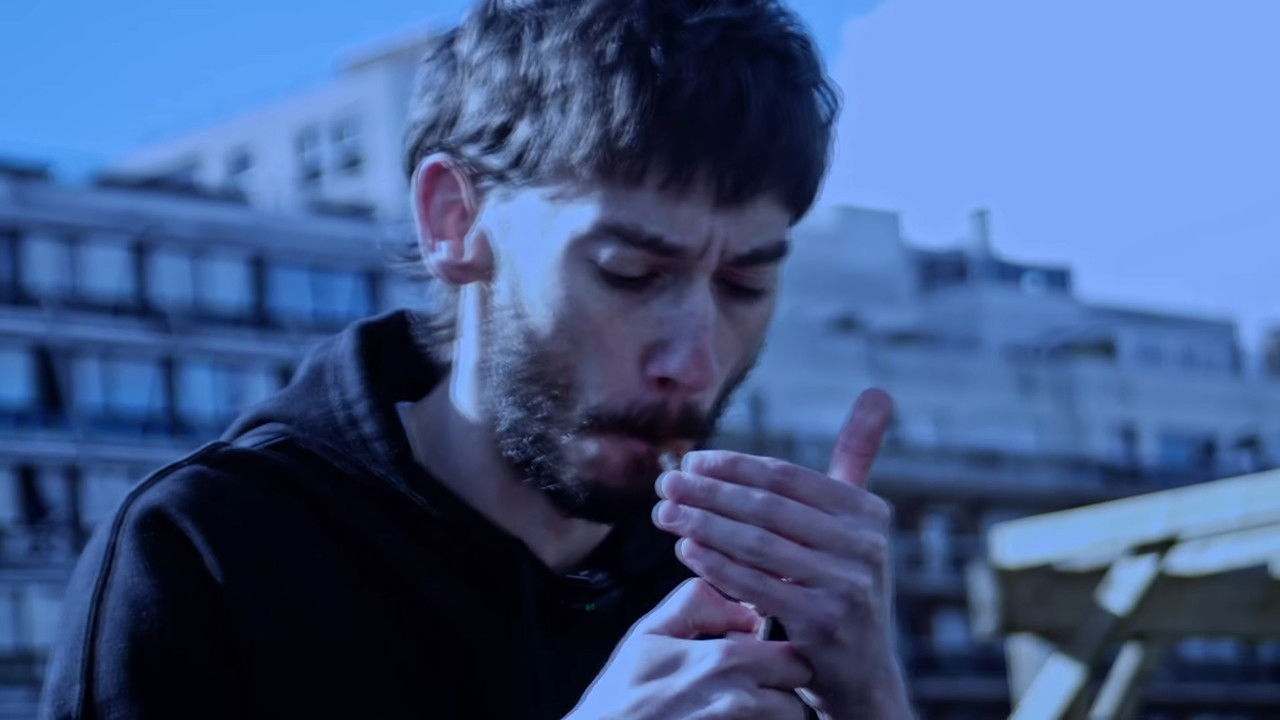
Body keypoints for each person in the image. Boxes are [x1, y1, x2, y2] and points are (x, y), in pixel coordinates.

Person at [41, 0, 914, 718]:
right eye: (629, 272)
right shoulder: (202, 553)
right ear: (453, 222)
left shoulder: (754, 577)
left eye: (744, 285)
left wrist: (870, 698)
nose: (694, 362)